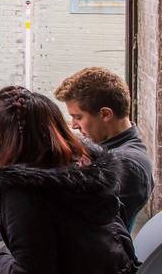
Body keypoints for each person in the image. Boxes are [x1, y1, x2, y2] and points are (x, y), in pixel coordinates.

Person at [0, 86, 138, 274]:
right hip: (111, 266)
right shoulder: (83, 169)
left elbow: (30, 270)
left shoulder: (24, 192)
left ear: (4, 134)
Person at [55, 67, 153, 227]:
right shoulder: (108, 146)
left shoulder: (126, 165)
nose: (73, 125)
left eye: (78, 117)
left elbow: (87, 225)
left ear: (106, 114)